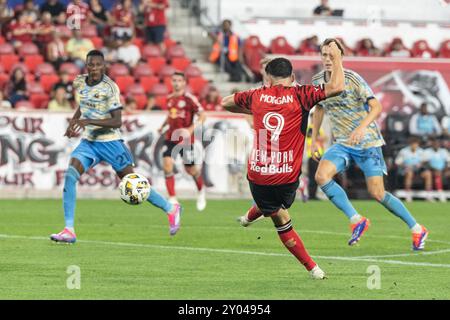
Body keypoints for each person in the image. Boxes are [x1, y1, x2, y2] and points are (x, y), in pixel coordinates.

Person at [221, 50, 345, 279]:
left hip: (257, 174)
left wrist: (255, 110)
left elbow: (225, 102)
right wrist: (336, 57)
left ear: (268, 77)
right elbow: (337, 86)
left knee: (271, 206)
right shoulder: (302, 94)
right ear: (292, 76)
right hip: (287, 175)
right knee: (280, 214)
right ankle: (313, 268)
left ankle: (249, 217)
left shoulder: (257, 95)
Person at [50, 50, 182, 244]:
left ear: (103, 66)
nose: (94, 68)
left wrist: (87, 121)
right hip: (89, 143)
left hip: (111, 142)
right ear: (86, 66)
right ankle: (69, 230)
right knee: (70, 175)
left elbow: (117, 121)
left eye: (98, 65)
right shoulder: (80, 82)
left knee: (133, 182)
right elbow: (84, 103)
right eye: (90, 65)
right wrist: (75, 121)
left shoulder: (110, 88)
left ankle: (171, 209)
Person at [310, 38, 428, 251]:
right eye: (324, 55)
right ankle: (356, 219)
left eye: (332, 55)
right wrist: (314, 138)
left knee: (378, 194)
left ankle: (417, 228)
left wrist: (362, 127)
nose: (327, 59)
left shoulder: (353, 79)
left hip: (368, 143)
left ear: (341, 56)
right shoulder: (318, 80)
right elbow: (318, 108)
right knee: (321, 176)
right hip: (343, 144)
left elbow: (376, 106)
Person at [157, 72, 207, 211]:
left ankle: (201, 191)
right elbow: (170, 115)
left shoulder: (189, 99)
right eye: (174, 80)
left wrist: (191, 129)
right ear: (171, 82)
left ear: (184, 82)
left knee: (190, 170)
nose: (176, 83)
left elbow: (203, 115)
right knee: (167, 165)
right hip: (170, 138)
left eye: (179, 80)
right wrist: (162, 126)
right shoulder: (169, 98)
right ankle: (172, 199)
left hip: (185, 140)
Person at [395, 137, 433, 202]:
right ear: (410, 144)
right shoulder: (404, 151)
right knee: (409, 173)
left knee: (428, 173)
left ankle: (428, 195)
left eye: (416, 144)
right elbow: (397, 162)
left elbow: (426, 161)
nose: (414, 146)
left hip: (418, 171)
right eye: (413, 144)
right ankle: (408, 195)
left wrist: (421, 164)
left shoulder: (421, 151)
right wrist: (405, 166)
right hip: (406, 170)